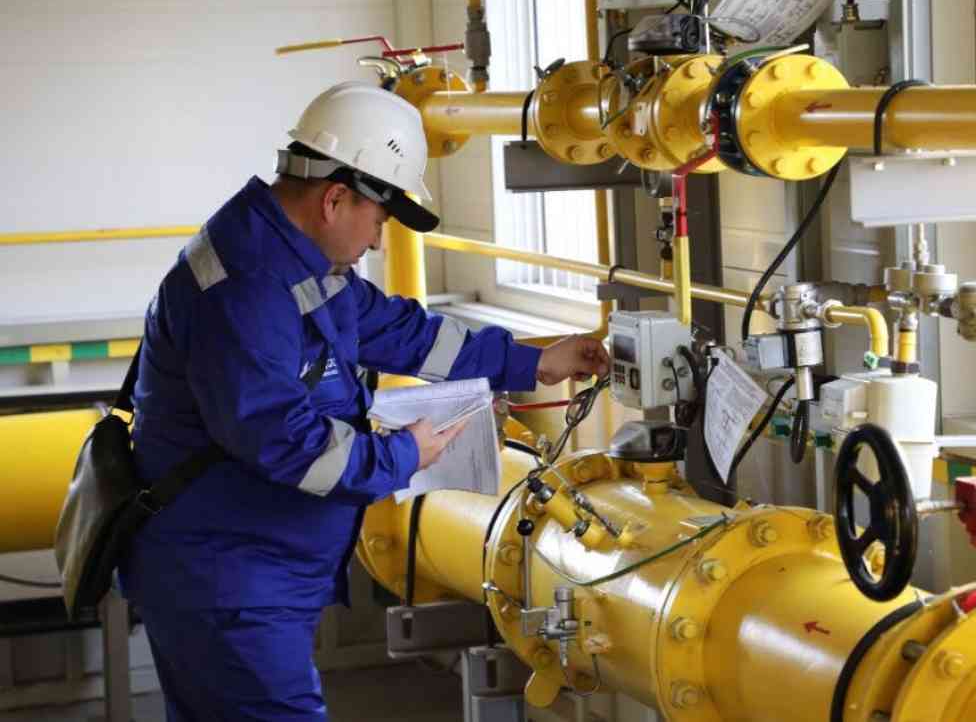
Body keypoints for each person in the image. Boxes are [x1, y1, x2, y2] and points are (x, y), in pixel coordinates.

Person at [118, 82, 610, 720]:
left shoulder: (287, 256)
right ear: (334, 198)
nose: (379, 242)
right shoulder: (250, 286)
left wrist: (532, 362)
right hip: (228, 578)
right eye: (379, 221)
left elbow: (401, 333)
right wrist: (404, 453)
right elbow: (287, 443)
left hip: (250, 569)